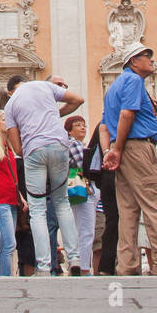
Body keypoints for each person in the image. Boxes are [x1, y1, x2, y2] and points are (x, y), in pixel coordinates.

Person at [101, 45, 157, 275]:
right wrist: (121, 148)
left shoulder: (113, 87)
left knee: (128, 210)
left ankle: (127, 265)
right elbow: (127, 114)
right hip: (136, 145)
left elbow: (104, 125)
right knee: (156, 204)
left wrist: (111, 151)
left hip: (120, 147)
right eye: (148, 57)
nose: (153, 61)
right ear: (134, 62)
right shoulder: (134, 82)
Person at [4, 74, 85, 276]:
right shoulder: (45, 86)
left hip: (34, 151)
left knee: (38, 210)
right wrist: (56, 115)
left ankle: (43, 266)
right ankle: (75, 258)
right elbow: (78, 100)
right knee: (62, 203)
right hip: (59, 145)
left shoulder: (11, 105)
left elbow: (17, 148)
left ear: (10, 91)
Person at [0, 109, 21, 276]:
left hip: (12, 199)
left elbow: (13, 177)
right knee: (9, 243)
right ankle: (5, 278)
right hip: (1, 200)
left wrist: (21, 197)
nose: (8, 122)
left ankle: (6, 275)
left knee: (9, 242)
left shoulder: (9, 149)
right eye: (4, 120)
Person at [65, 116, 96, 272]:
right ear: (69, 130)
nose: (82, 128)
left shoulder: (73, 144)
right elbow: (85, 166)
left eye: (83, 125)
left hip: (77, 189)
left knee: (80, 228)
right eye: (77, 125)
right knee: (86, 229)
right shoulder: (74, 144)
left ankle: (79, 263)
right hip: (82, 189)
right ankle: (84, 267)